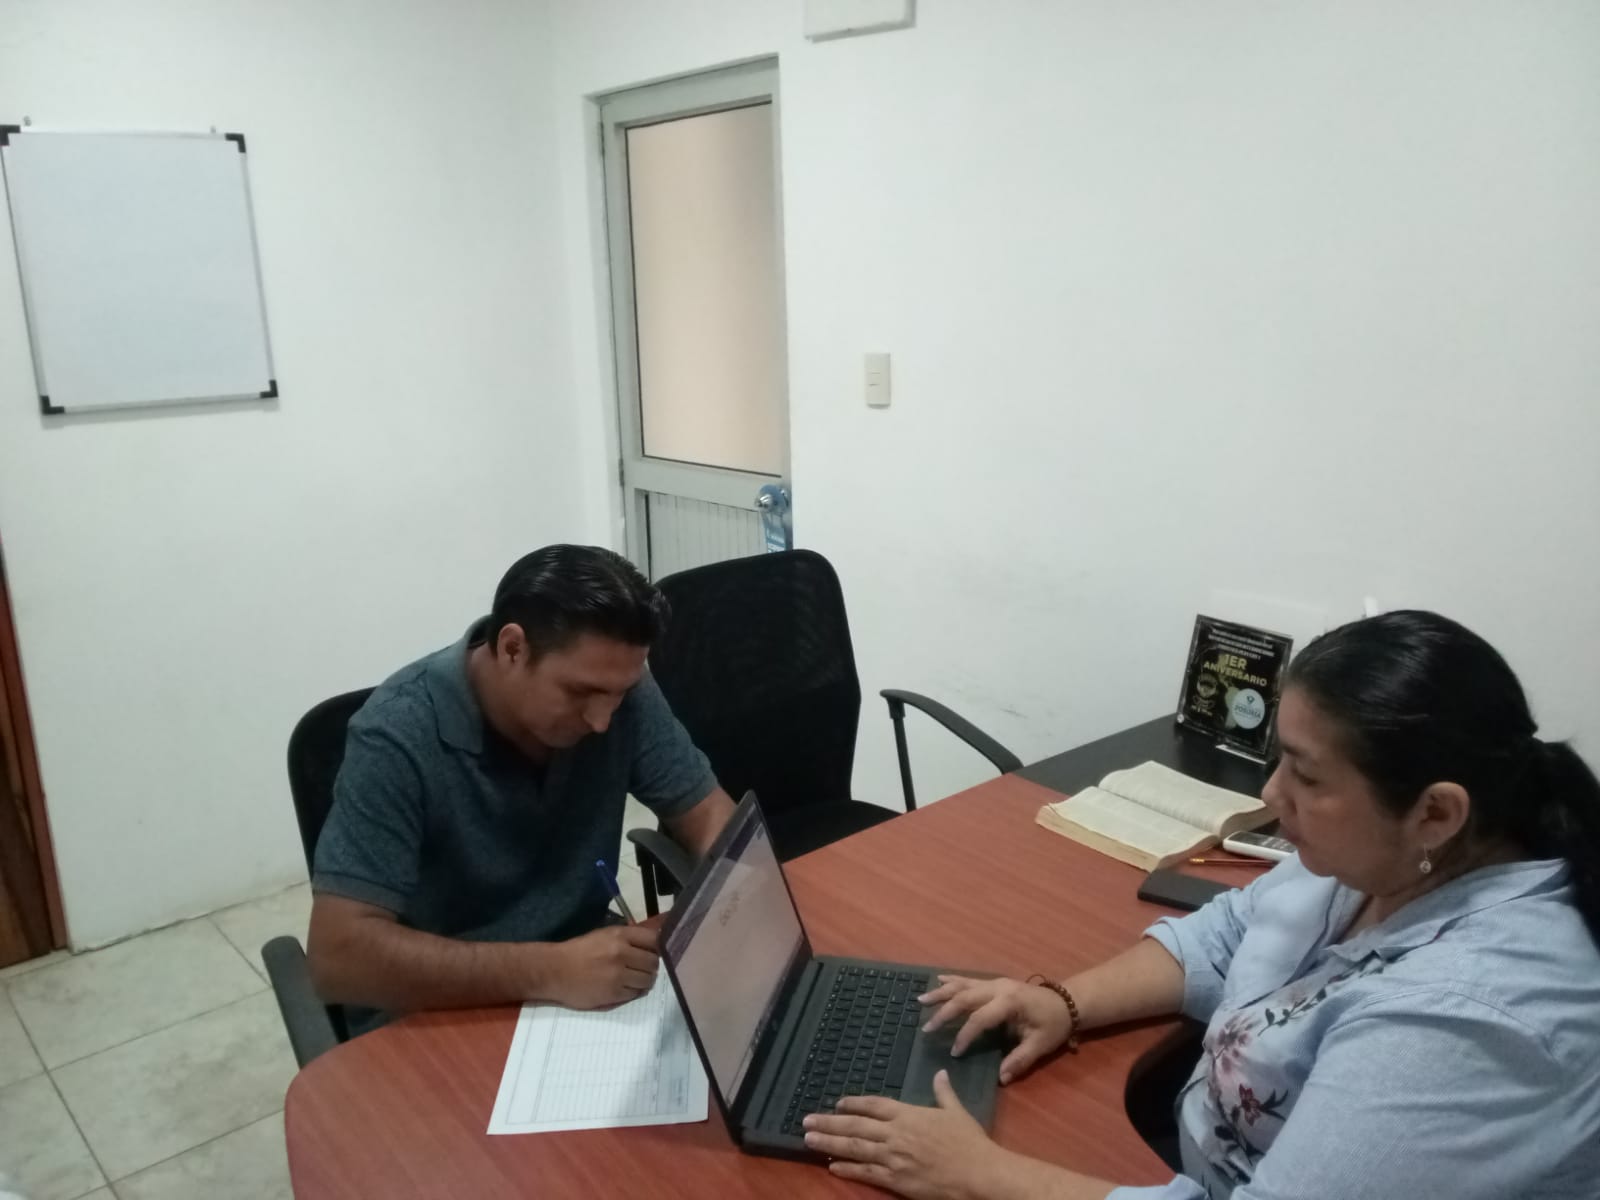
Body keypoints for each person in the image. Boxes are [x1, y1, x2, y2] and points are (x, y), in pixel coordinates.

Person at [803, 611, 1600, 1199]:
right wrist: (1063, 1001)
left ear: (1436, 812)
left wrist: (981, 1176)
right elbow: (1230, 932)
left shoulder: (1472, 1020)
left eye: (1305, 775)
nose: (1271, 795)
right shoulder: (1387, 860)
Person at [306, 545, 735, 1033]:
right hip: (441, 1009)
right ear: (513, 649)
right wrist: (549, 970)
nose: (602, 720)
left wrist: (730, 906)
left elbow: (708, 814)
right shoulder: (397, 735)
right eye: (580, 693)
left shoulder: (618, 686)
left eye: (620, 693)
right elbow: (338, 958)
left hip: (583, 983)